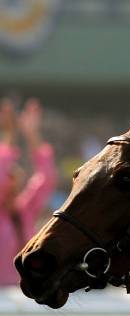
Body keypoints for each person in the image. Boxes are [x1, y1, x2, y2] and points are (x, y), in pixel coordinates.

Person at [0, 98, 57, 286]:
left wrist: (32, 135)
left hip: (18, 303)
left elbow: (47, 178)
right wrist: (9, 134)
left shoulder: (23, 212)